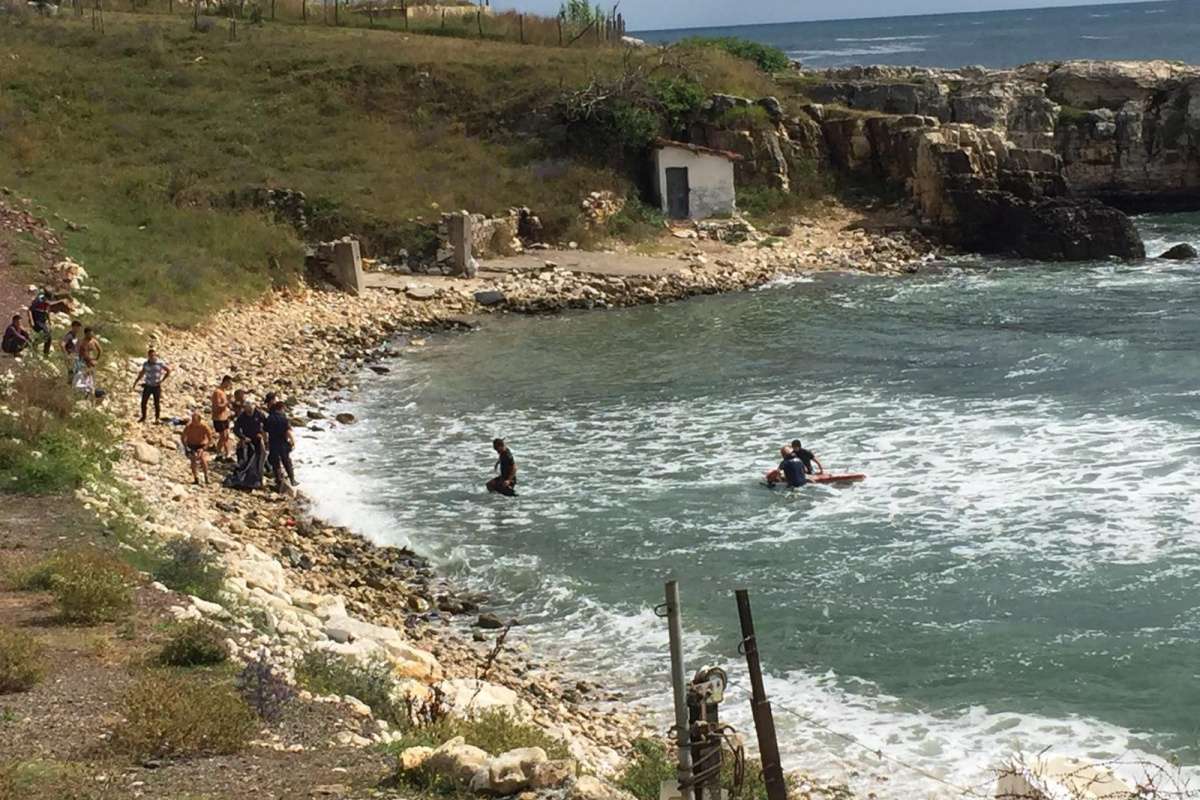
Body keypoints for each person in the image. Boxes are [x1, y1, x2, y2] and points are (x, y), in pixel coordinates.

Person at [227, 398, 269, 489]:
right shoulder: (242, 416)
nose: (248, 410)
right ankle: (246, 477)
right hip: (247, 440)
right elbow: (236, 429)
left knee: (260, 458)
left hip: (257, 439)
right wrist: (243, 437)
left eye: (250, 408)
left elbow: (266, 425)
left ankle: (258, 477)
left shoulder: (259, 414)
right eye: (247, 408)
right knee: (247, 459)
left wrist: (262, 434)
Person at [132, 347, 172, 424]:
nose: (152, 357)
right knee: (143, 402)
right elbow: (142, 373)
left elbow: (168, 370)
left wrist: (162, 380)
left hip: (156, 386)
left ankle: (157, 418)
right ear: (148, 356)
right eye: (151, 356)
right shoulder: (146, 364)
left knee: (156, 403)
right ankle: (143, 417)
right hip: (148, 385)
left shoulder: (160, 363)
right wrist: (136, 381)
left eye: (154, 355)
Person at [264, 400, 297, 491]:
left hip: (273, 442)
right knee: (286, 461)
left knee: (276, 463)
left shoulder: (269, 418)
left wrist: (265, 441)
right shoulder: (284, 419)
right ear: (281, 408)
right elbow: (287, 431)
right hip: (282, 442)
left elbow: (265, 431)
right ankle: (292, 480)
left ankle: (278, 482)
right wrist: (293, 441)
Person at [181, 410, 214, 485]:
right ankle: (196, 478)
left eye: (195, 420)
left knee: (203, 459)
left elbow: (210, 439)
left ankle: (206, 477)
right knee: (193, 460)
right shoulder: (189, 426)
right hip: (191, 445)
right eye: (192, 420)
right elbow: (183, 437)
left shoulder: (204, 427)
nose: (193, 422)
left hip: (201, 445)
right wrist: (186, 447)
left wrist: (204, 448)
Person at [211, 375, 235, 460]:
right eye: (229, 383)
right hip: (218, 417)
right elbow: (217, 406)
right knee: (223, 436)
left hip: (225, 417)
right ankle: (219, 452)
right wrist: (227, 402)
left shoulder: (223, 392)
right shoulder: (217, 392)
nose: (229, 385)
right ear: (225, 382)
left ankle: (227, 453)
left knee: (226, 436)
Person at [28, 289, 52, 356]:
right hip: (37, 321)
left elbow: (47, 313)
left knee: (49, 337)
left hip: (42, 322)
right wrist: (31, 321)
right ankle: (34, 345)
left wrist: (50, 322)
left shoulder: (46, 304)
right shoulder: (38, 301)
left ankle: (46, 353)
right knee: (45, 334)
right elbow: (29, 310)